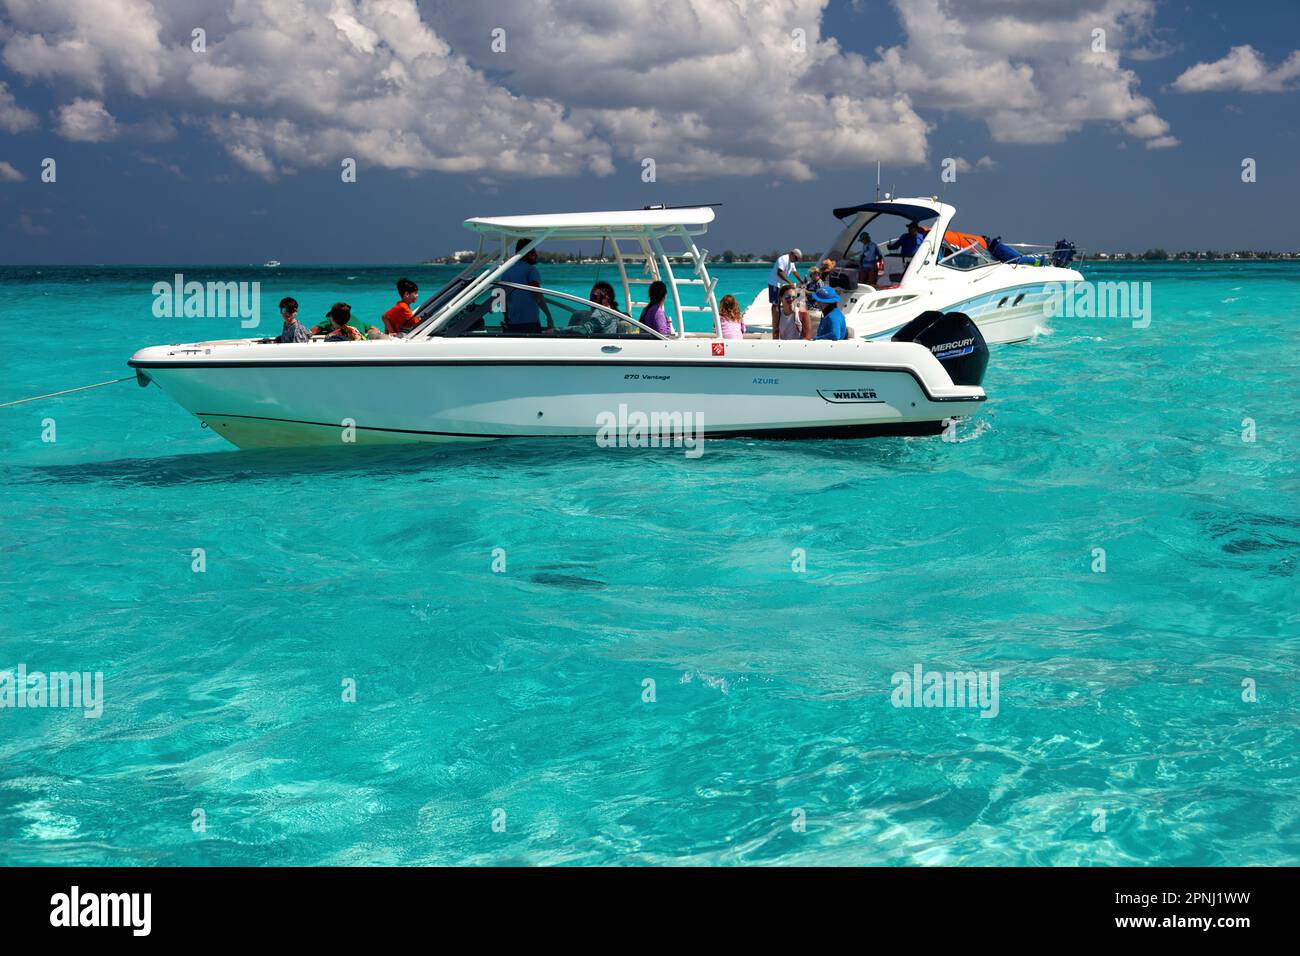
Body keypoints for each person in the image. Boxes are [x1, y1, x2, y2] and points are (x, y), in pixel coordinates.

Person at [500, 238, 554, 333]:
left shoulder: (506, 272)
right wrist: (548, 315)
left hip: (512, 323)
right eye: (532, 253)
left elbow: (502, 298)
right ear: (525, 254)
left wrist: (506, 317)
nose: (536, 255)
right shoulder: (531, 270)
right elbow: (537, 294)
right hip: (530, 323)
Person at [766, 248, 802, 327]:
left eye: (797, 259)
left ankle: (778, 320)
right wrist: (790, 282)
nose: (796, 260)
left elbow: (795, 272)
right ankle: (774, 322)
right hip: (774, 283)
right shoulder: (783, 259)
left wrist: (802, 281)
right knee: (775, 304)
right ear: (792, 254)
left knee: (781, 302)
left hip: (781, 284)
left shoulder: (791, 262)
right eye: (796, 258)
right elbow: (780, 273)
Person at [311, 302, 383, 339]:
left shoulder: (330, 321)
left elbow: (312, 331)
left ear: (332, 318)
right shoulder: (356, 320)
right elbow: (374, 328)